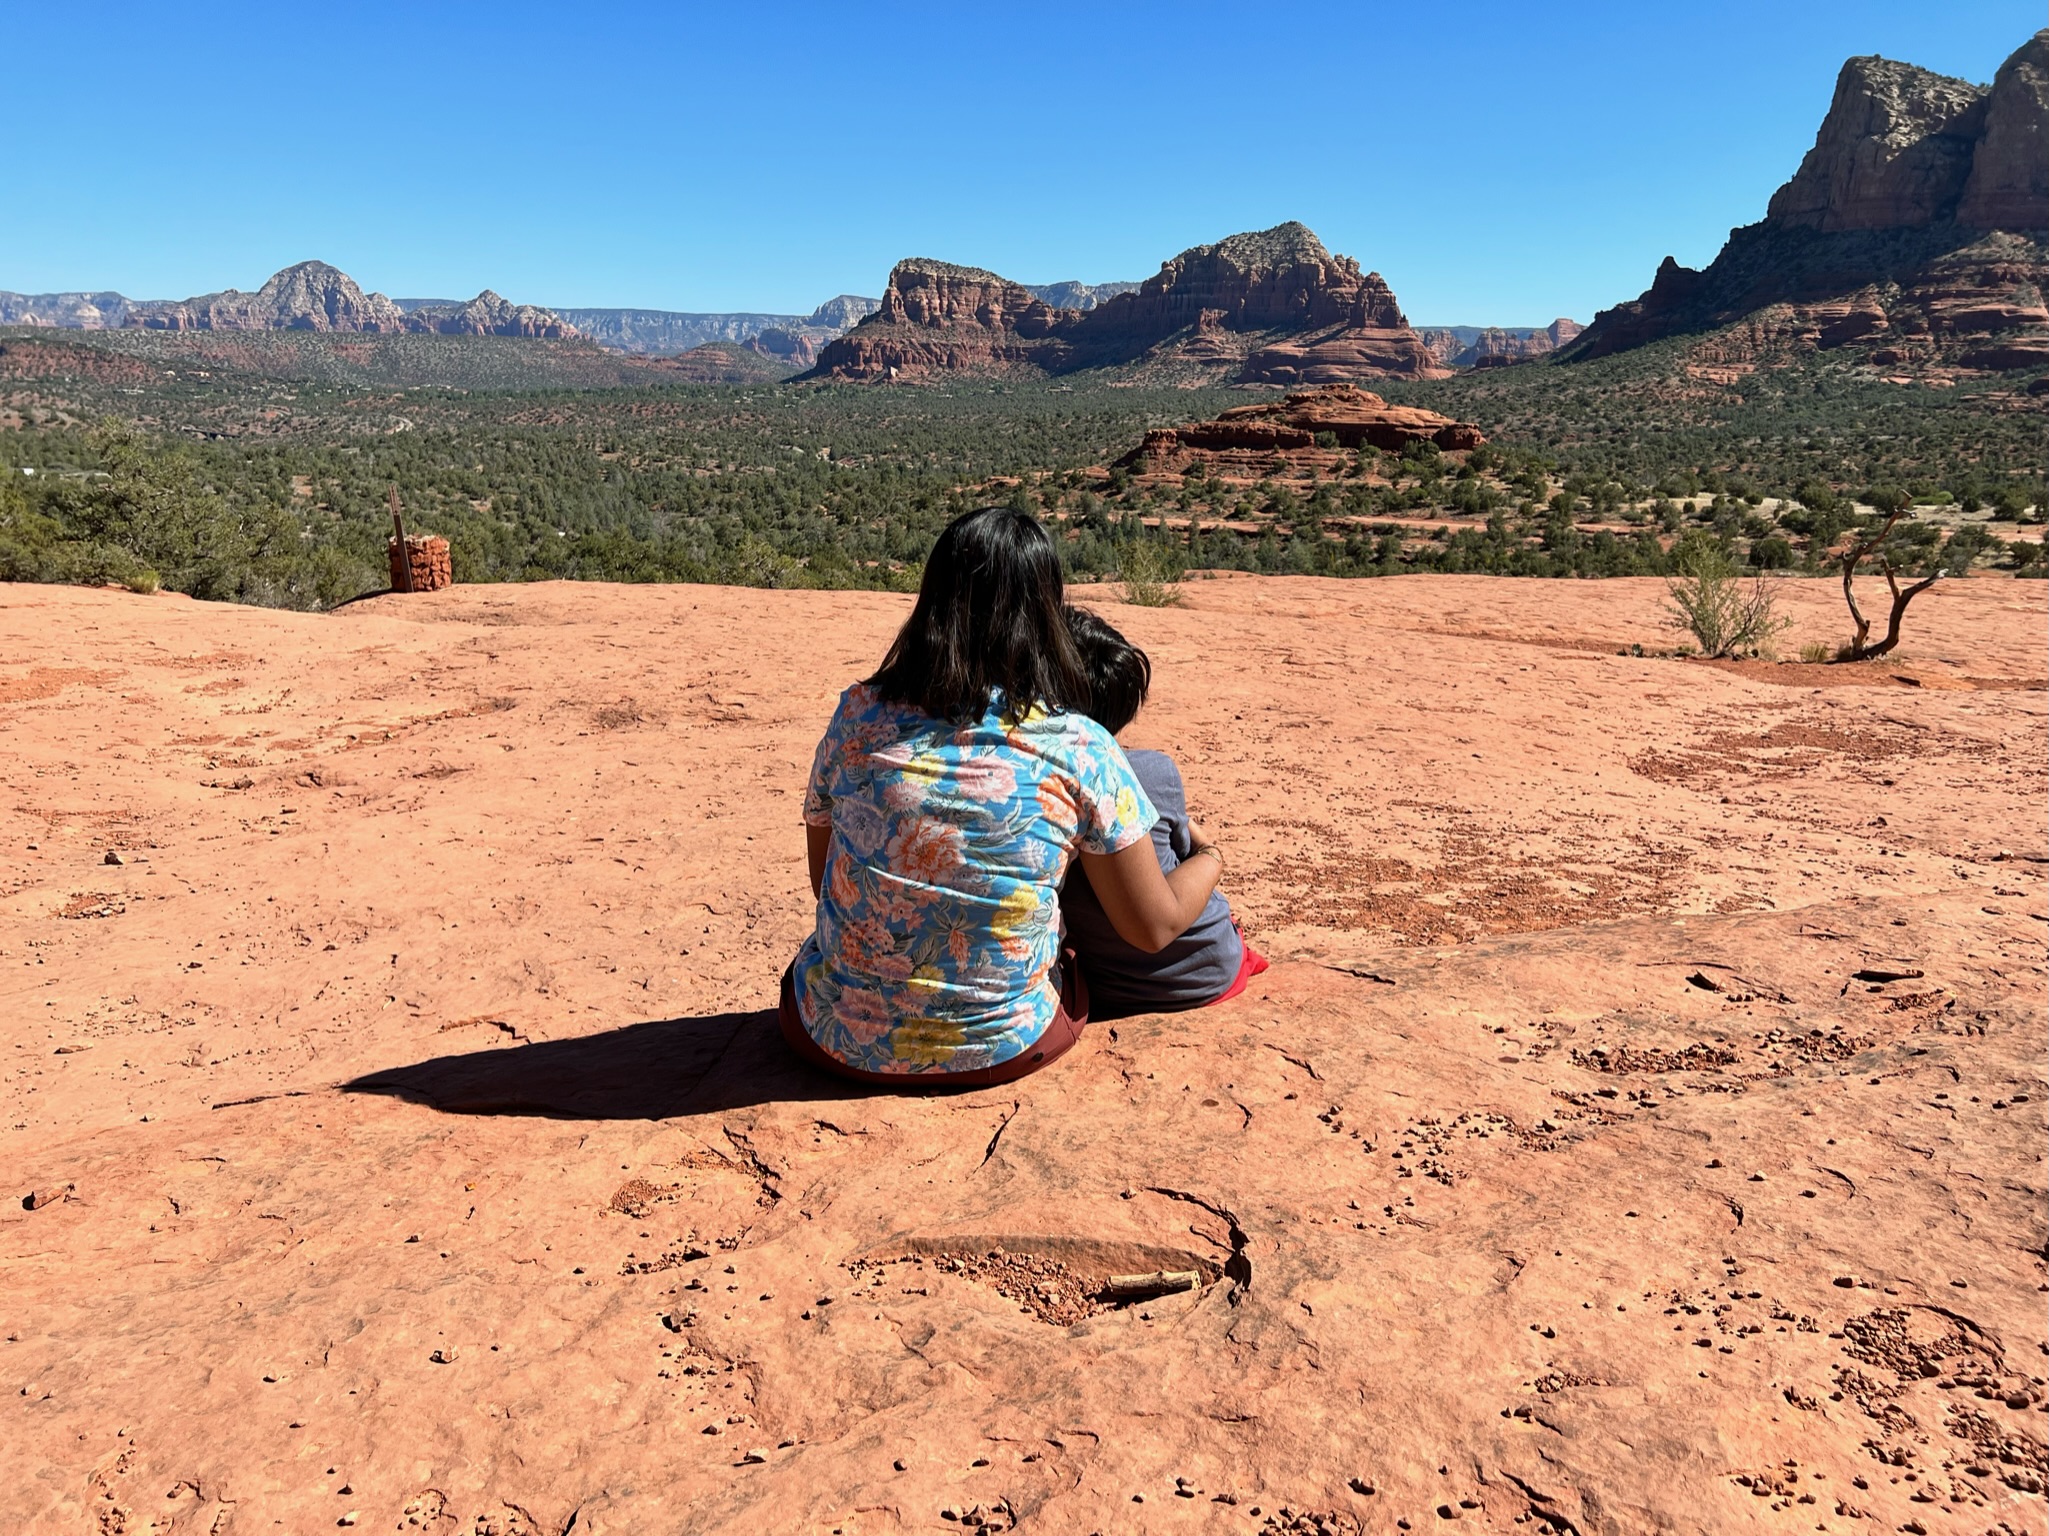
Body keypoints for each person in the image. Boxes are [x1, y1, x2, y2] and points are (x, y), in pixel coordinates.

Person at [783, 506, 1224, 1085]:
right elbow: (1153, 928)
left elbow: (825, 884)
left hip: (831, 1039)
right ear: (1046, 613)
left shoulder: (857, 715)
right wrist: (1212, 859)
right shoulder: (1079, 746)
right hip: (1002, 1049)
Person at [1059, 606, 1269, 1017]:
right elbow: (1174, 859)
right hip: (1201, 972)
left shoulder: (1031, 776)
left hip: (1100, 985)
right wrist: (1212, 854)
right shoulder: (1152, 773)